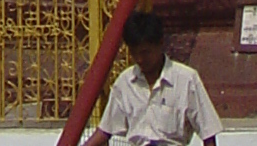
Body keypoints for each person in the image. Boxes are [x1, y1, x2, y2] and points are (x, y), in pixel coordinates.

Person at [86, 11, 219, 146]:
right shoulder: (125, 82)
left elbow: (208, 133)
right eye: (134, 53)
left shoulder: (187, 80)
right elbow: (106, 131)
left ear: (160, 43)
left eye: (145, 52)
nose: (140, 59)